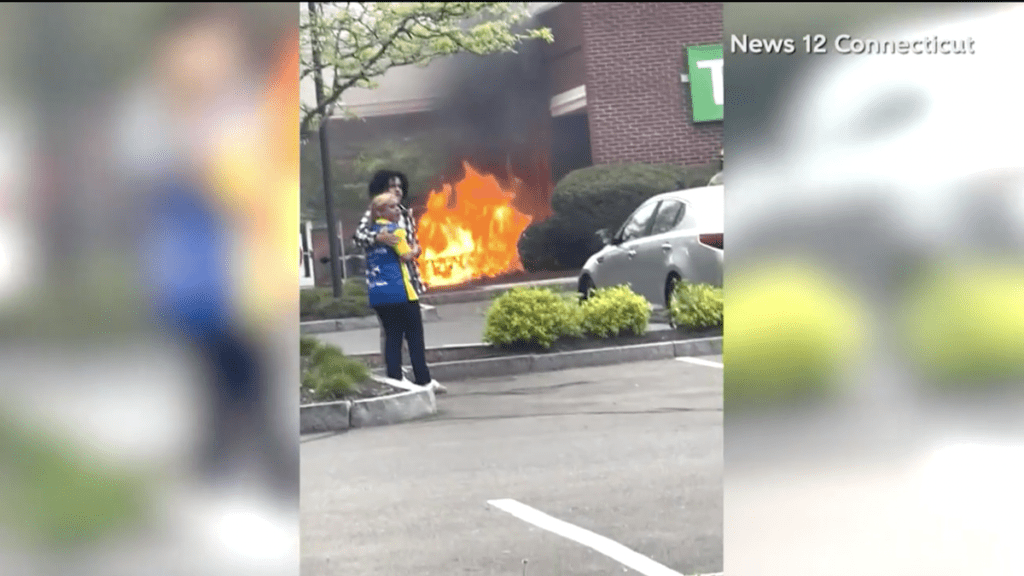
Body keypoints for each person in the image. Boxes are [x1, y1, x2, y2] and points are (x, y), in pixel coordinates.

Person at [353, 170, 447, 393]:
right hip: (394, 284)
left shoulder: (405, 214)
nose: (397, 190)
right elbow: (358, 237)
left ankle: (413, 377)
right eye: (391, 186)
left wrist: (416, 250)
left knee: (403, 334)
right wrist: (378, 238)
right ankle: (404, 377)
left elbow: (410, 245)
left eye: (399, 186)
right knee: (398, 334)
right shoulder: (375, 215)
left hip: (407, 279)